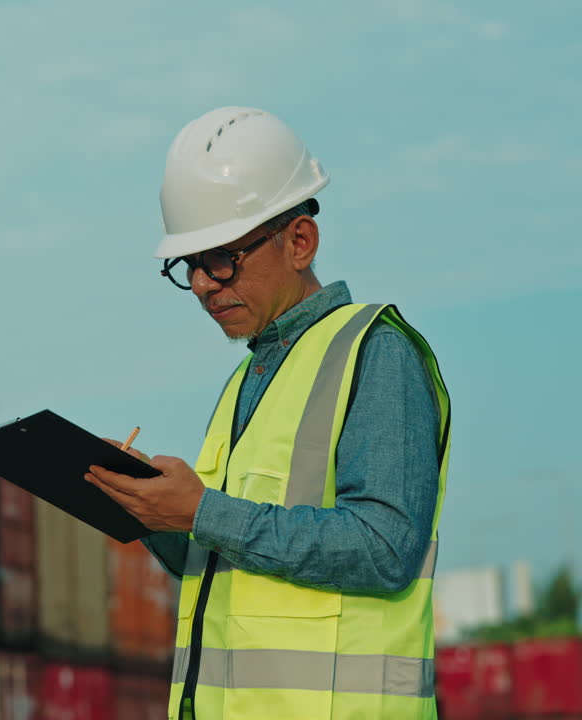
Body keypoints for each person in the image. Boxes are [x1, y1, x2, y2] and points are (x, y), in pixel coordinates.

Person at [83, 107, 451, 719]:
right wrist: (151, 511)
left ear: (300, 242)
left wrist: (201, 511)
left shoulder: (375, 352)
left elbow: (386, 549)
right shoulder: (245, 383)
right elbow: (222, 559)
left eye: (221, 258)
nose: (202, 285)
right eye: (188, 264)